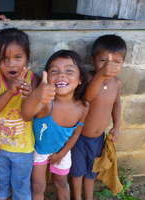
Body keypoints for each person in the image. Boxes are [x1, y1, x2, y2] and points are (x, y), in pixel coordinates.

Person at [22, 50, 89, 200]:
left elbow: (76, 133)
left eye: (69, 71)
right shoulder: (46, 104)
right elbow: (26, 115)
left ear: (80, 79)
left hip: (63, 151)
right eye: (54, 71)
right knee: (38, 186)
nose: (61, 75)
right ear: (47, 77)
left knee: (61, 182)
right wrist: (36, 95)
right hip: (39, 150)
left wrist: (62, 153)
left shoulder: (83, 107)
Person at [70, 34, 126, 200]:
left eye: (116, 62)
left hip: (98, 139)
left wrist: (117, 125)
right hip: (79, 137)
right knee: (77, 172)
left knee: (91, 172)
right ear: (92, 59)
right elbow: (88, 97)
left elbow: (116, 104)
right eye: (103, 61)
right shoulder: (88, 78)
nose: (109, 67)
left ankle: (89, 197)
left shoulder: (117, 84)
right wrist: (100, 76)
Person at [0, 28, 38, 200]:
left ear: (27, 58)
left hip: (24, 149)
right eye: (4, 59)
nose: (12, 64)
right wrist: (9, 92)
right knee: (0, 182)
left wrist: (30, 95)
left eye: (18, 57)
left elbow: (32, 114)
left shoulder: (33, 79)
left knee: (21, 185)